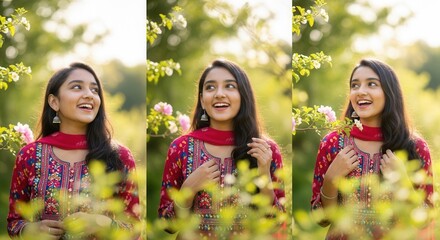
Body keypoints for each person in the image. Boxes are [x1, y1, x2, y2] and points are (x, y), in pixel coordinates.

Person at [7, 62, 140, 239]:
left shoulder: (119, 156)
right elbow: (14, 223)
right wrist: (31, 230)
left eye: (94, 90)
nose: (89, 95)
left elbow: (135, 230)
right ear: (54, 102)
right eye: (77, 87)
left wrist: (103, 224)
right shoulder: (29, 155)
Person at [158, 59, 285, 238]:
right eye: (210, 88)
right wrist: (189, 188)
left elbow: (276, 224)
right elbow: (167, 224)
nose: (219, 94)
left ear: (243, 95)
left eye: (230, 86)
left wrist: (263, 173)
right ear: (202, 100)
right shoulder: (181, 148)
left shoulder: (265, 150)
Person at [310, 59, 434, 239]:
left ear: (389, 92)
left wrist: (403, 183)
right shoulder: (332, 144)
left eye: (372, 84)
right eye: (355, 85)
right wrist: (330, 179)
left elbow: (426, 219)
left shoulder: (415, 147)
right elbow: (321, 219)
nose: (361, 91)